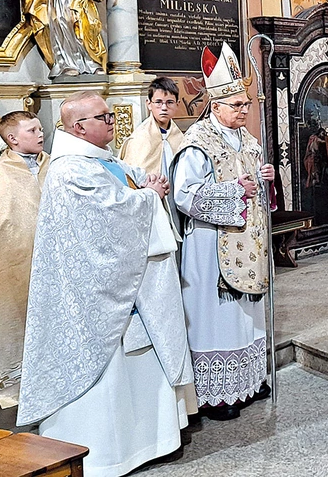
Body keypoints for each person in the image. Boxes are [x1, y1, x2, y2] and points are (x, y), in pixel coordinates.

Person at [18, 92, 191, 475]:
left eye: (111, 115)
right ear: (79, 127)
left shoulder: (101, 159)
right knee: (108, 380)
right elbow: (108, 220)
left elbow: (124, 187)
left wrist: (144, 182)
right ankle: (108, 453)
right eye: (104, 117)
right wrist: (148, 197)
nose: (113, 122)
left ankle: (151, 440)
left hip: (126, 288)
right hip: (94, 300)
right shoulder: (69, 171)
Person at [173, 43, 275, 421]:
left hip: (248, 241)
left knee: (248, 315)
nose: (244, 110)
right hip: (211, 244)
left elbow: (256, 188)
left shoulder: (249, 140)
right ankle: (217, 395)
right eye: (236, 105)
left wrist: (265, 178)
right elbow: (185, 195)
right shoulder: (197, 142)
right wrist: (234, 191)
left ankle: (250, 379)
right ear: (215, 106)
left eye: (246, 104)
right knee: (218, 317)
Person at [0, 111, 48, 409]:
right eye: (32, 131)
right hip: (18, 267)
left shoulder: (51, 164)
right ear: (12, 139)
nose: (40, 134)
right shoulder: (2, 177)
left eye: (40, 128)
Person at [121, 77, 187, 241]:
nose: (164, 107)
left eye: (169, 102)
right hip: (152, 206)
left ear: (177, 105)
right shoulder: (139, 139)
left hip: (177, 202)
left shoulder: (181, 137)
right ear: (148, 104)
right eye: (158, 102)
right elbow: (130, 180)